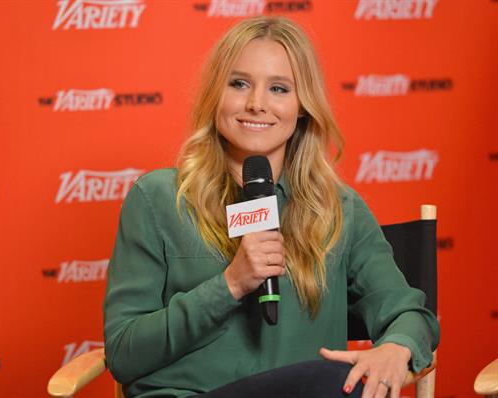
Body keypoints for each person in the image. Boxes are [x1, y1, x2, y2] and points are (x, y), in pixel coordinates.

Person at [104, 16, 440, 398]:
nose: (256, 104)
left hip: (307, 390)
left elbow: (410, 315)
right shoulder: (158, 199)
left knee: (335, 381)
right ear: (216, 94)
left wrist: (396, 348)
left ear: (302, 106)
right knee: (329, 381)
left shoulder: (339, 209)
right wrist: (229, 285)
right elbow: (123, 353)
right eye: (239, 84)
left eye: (279, 88)